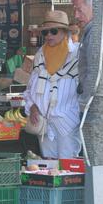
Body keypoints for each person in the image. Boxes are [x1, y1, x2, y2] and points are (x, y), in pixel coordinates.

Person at [23, 10, 81, 159]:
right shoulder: (40, 55)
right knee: (49, 167)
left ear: (64, 32)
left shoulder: (77, 55)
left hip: (67, 123)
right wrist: (33, 107)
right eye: (45, 32)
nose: (49, 36)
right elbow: (29, 89)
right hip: (44, 125)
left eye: (53, 31)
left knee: (68, 167)